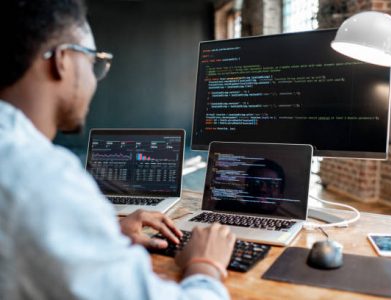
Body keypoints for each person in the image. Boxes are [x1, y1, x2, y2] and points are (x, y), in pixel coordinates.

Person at [0, 1, 235, 299]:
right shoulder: (43, 178)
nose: (94, 79)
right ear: (62, 60)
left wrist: (103, 236)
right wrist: (206, 265)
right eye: (93, 61)